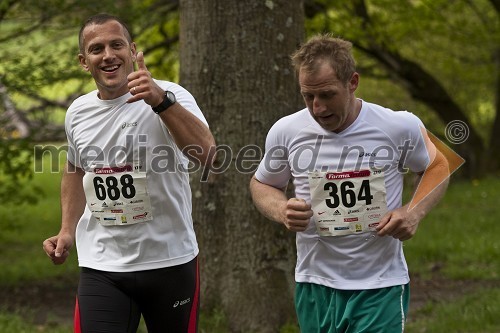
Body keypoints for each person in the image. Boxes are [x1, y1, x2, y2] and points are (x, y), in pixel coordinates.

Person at [249, 34, 450, 332]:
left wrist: (413, 212)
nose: (317, 108)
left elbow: (438, 165)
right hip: (315, 282)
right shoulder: (287, 130)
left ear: (352, 82)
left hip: (380, 283)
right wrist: (281, 210)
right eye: (308, 96)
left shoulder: (398, 125)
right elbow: (262, 183)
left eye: (327, 95)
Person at [42, 13, 215, 333]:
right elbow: (75, 168)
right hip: (102, 265)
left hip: (170, 262)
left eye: (116, 45)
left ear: (132, 50)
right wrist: (67, 229)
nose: (108, 55)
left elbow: (207, 153)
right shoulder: (77, 112)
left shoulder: (170, 93)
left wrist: (160, 102)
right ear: (84, 61)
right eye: (97, 49)